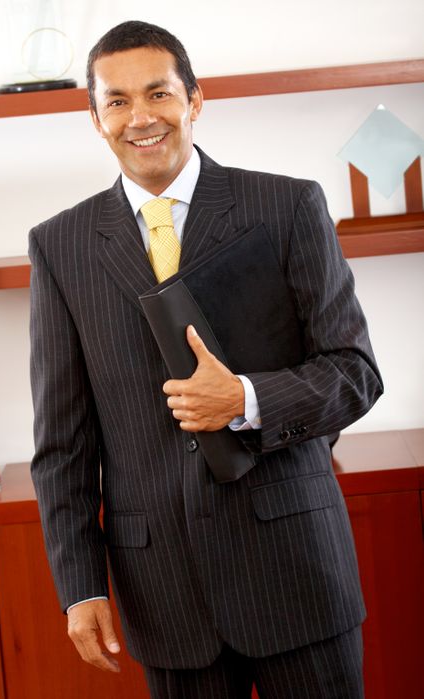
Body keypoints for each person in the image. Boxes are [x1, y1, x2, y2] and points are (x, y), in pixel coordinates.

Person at [29, 20, 383, 698]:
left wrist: (247, 399)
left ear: (195, 100)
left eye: (158, 93)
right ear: (96, 118)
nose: (141, 117)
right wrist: (78, 587)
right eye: (117, 101)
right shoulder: (60, 247)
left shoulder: (288, 207)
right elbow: (62, 446)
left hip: (296, 575)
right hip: (166, 596)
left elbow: (355, 372)